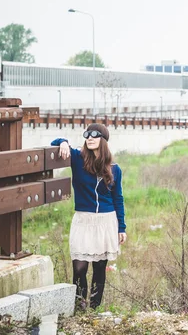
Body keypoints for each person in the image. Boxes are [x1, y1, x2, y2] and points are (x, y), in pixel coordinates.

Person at [51, 123, 127, 309]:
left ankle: (94, 307)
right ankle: (79, 305)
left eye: (95, 135)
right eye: (87, 135)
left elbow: (118, 199)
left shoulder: (114, 169)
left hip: (106, 221)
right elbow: (54, 141)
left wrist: (122, 227)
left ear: (104, 140)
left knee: (100, 267)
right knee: (79, 267)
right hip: (83, 220)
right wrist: (63, 142)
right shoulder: (77, 159)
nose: (90, 138)